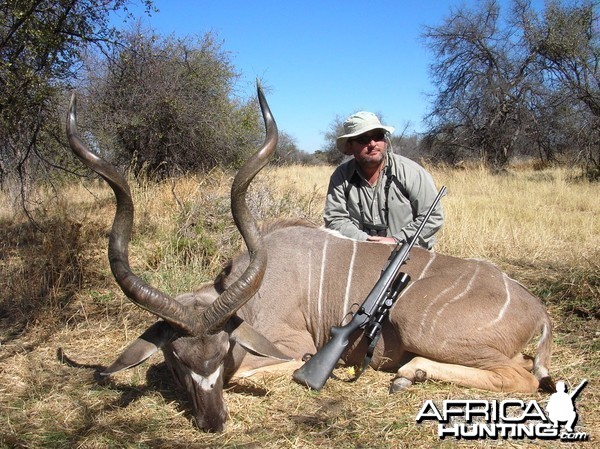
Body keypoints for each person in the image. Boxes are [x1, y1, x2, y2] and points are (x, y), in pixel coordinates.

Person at [324, 111, 444, 249]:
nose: (373, 144)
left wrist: (396, 240)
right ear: (350, 146)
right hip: (362, 253)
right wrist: (366, 241)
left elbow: (433, 217)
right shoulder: (341, 176)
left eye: (378, 136)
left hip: (409, 253)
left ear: (385, 141)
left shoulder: (412, 172)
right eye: (363, 139)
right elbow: (335, 219)